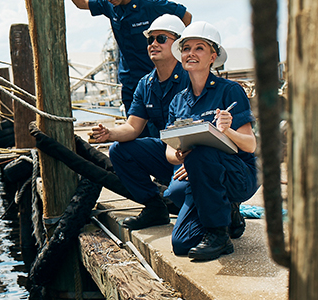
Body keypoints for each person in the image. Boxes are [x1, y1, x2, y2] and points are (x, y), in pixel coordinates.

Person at [164, 21, 259, 261]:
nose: (191, 53)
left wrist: (228, 130)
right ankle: (228, 213)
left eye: (199, 48)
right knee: (181, 243)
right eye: (186, 48)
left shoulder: (230, 91)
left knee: (202, 155)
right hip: (202, 170)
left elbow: (250, 145)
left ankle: (219, 236)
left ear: (212, 57)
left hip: (239, 174)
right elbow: (168, 150)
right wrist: (180, 156)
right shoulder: (178, 101)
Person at [90, 14, 190, 230]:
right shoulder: (145, 84)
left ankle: (226, 208)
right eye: (150, 40)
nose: (153, 44)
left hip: (193, 153)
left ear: (178, 44)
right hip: (168, 154)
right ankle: (155, 207)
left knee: (180, 193)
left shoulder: (191, 77)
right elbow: (133, 127)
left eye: (161, 38)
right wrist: (110, 133)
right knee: (119, 151)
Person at [70, 0, 191, 124]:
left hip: (156, 83)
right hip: (130, 83)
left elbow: (186, 16)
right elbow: (81, 3)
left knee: (164, 127)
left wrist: (175, 48)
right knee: (136, 131)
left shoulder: (151, 4)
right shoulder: (109, 5)